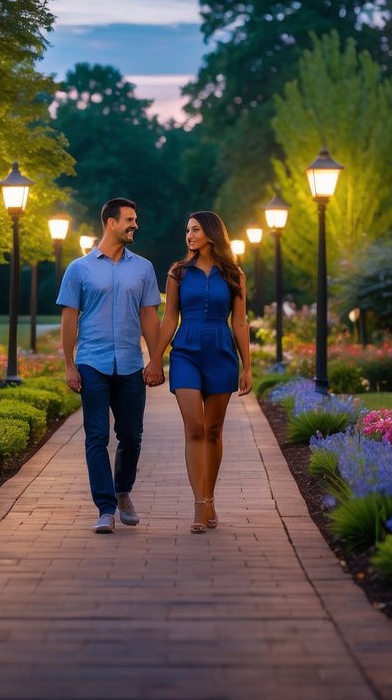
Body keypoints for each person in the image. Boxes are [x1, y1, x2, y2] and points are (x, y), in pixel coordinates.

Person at [58, 198, 164, 534]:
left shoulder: (143, 268)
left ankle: (123, 492)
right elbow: (69, 319)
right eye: (130, 220)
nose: (135, 226)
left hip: (131, 363)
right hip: (92, 362)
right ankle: (105, 508)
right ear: (111, 222)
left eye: (135, 220)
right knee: (96, 437)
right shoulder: (79, 269)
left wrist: (156, 359)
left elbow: (150, 316)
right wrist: (69, 364)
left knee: (131, 436)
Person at [144, 211, 252, 533]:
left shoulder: (234, 274)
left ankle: (210, 497)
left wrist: (247, 367)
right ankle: (199, 505)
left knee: (214, 431)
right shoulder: (178, 273)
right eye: (187, 230)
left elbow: (240, 323)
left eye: (195, 229)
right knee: (194, 427)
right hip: (186, 353)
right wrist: (154, 359)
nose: (189, 235)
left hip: (221, 353)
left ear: (212, 233)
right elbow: (168, 320)